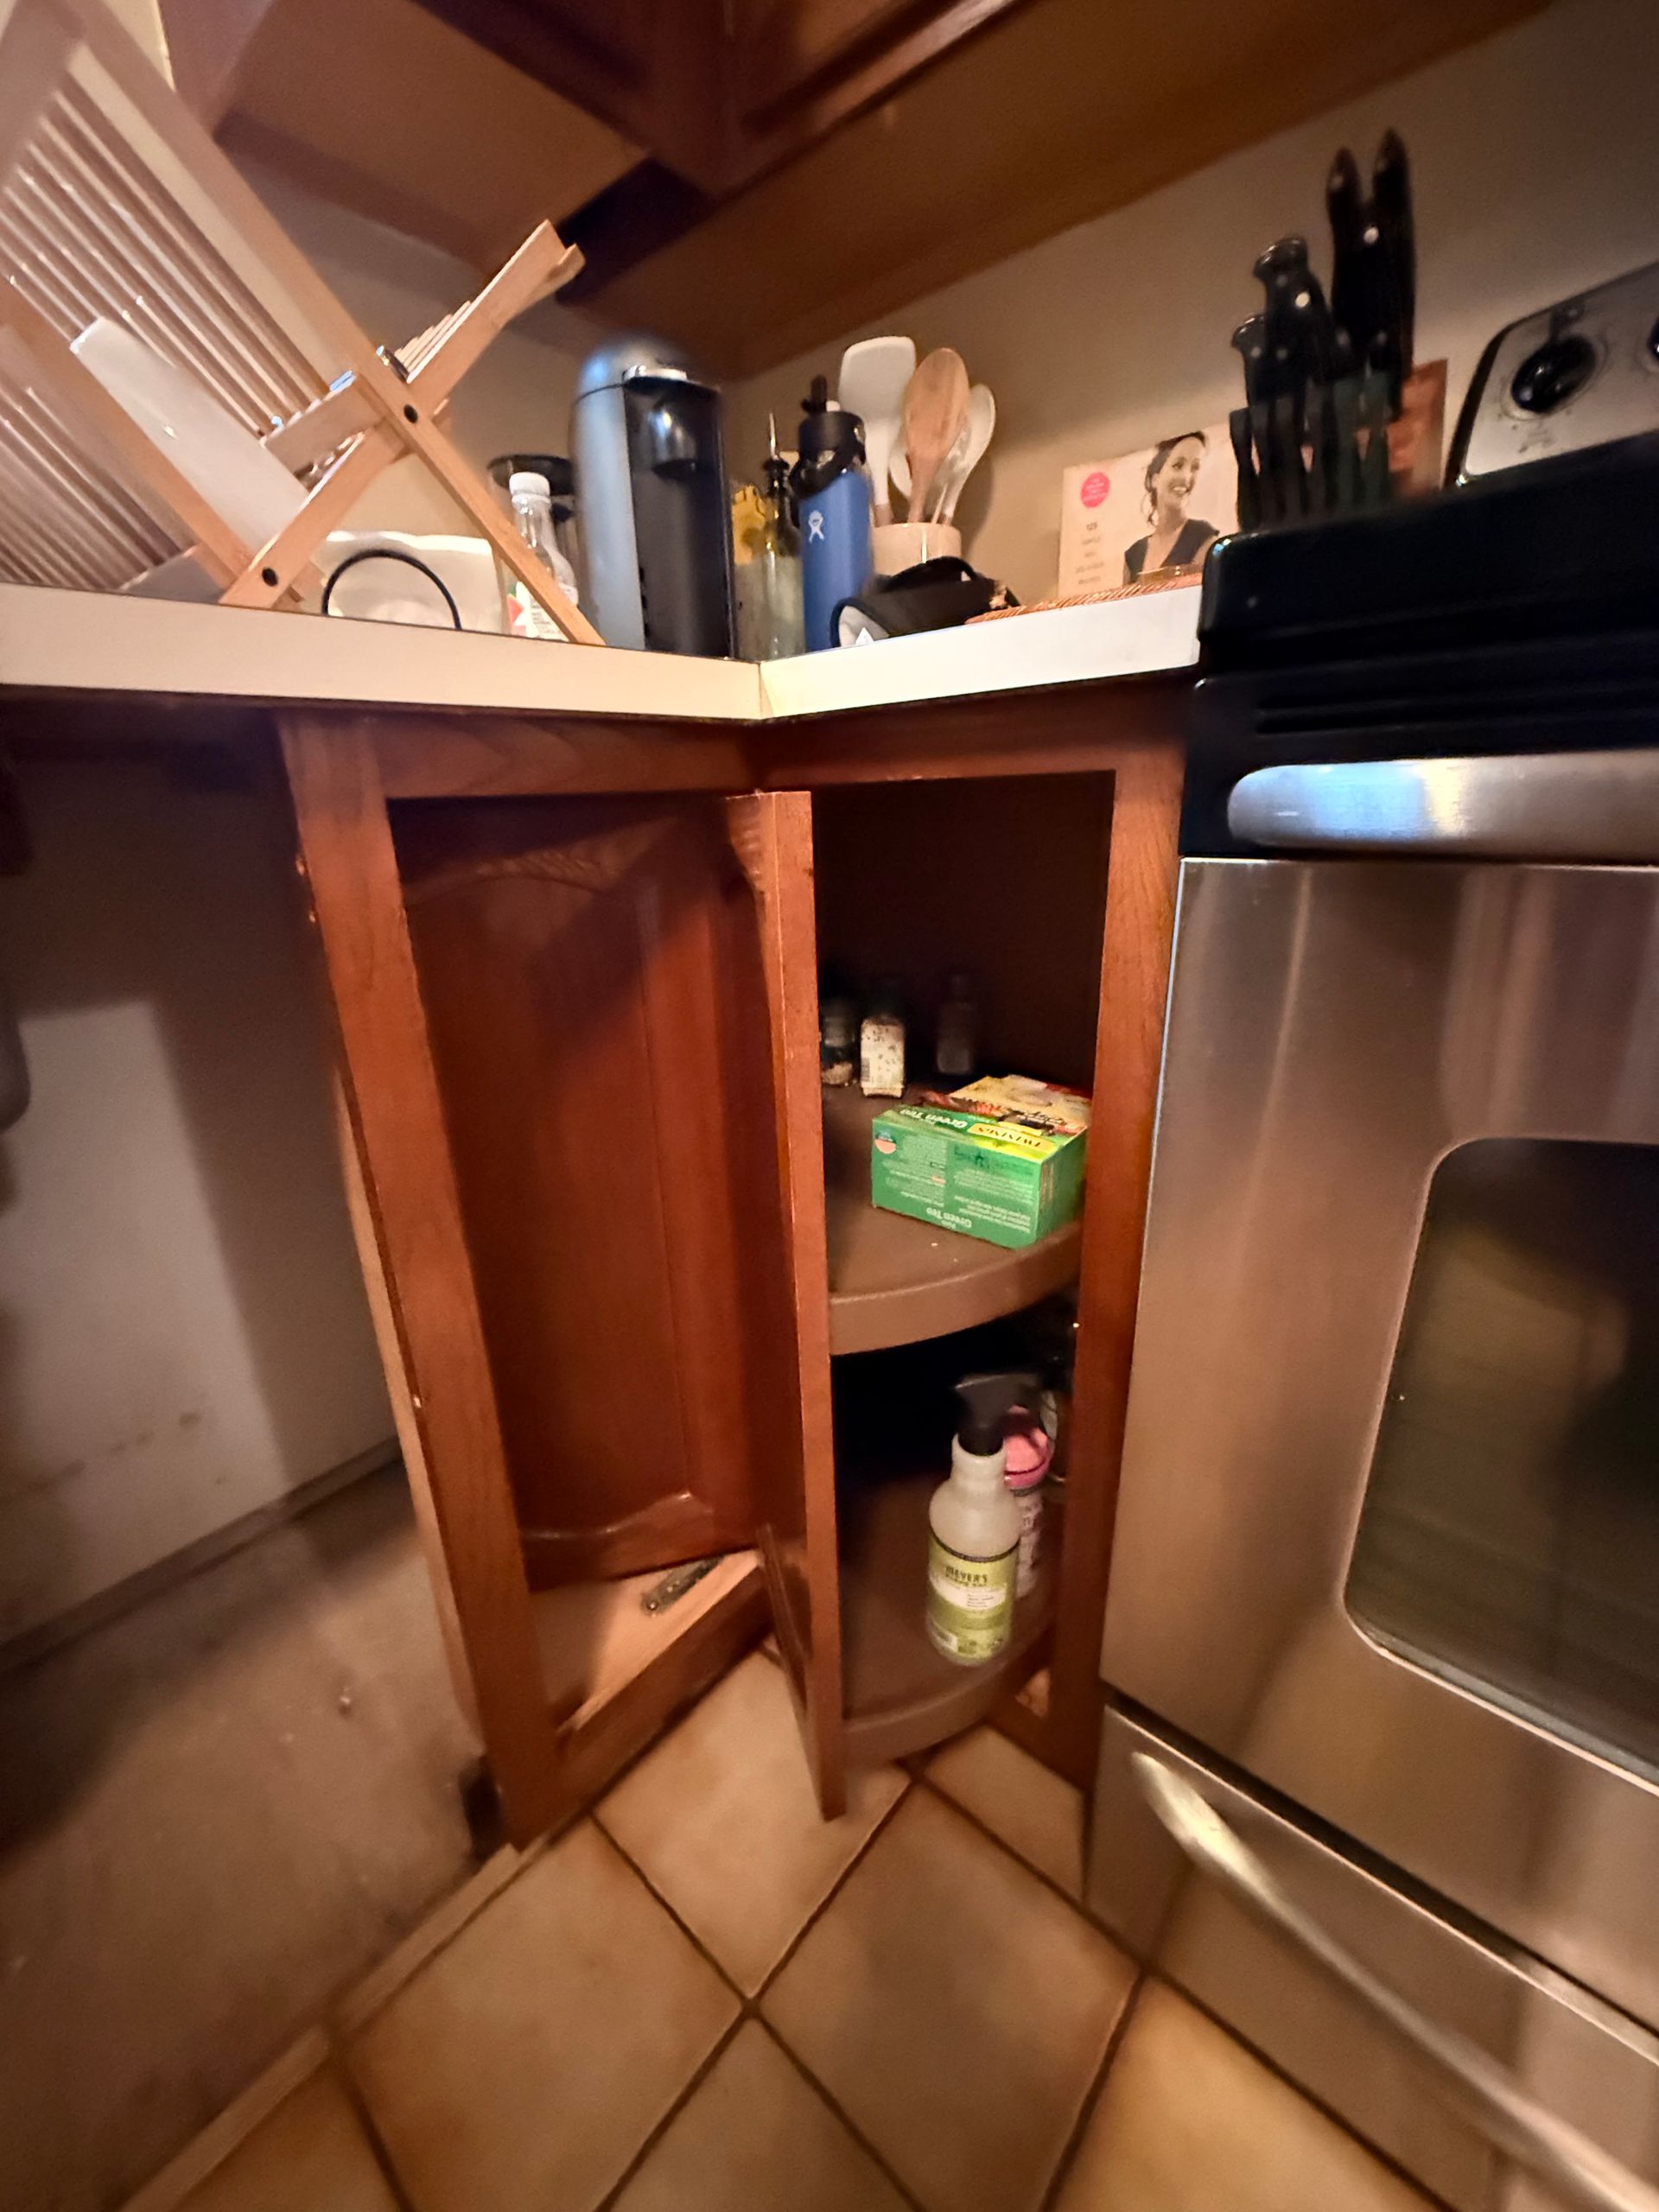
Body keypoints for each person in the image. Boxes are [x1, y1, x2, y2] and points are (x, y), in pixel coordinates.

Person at [1122, 432, 1219, 583]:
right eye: (1177, 466)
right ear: (1155, 479)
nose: (1187, 477)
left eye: (1195, 467)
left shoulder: (1203, 539)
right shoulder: (1133, 556)